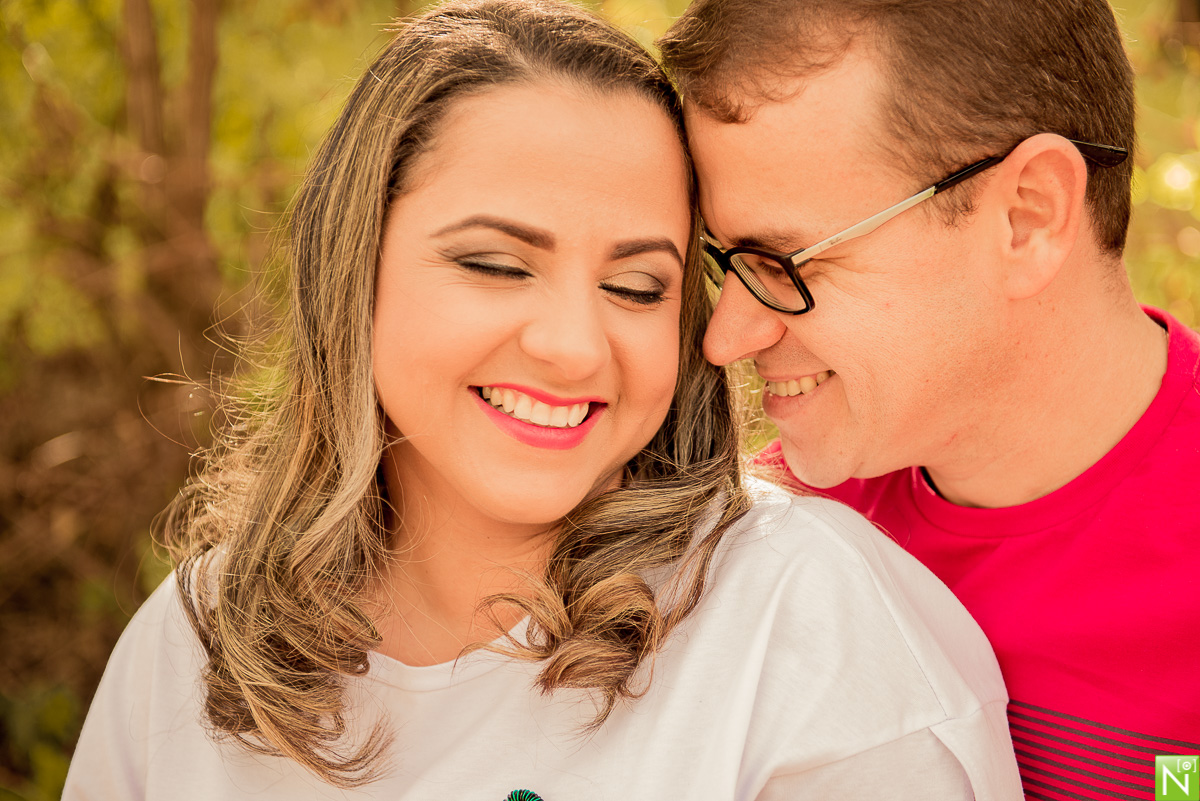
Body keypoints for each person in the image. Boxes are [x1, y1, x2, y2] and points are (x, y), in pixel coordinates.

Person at [63, 1, 1022, 798]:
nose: (572, 345)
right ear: (353, 265)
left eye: (639, 286)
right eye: (495, 264)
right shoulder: (197, 637)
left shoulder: (805, 625)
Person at [658, 0, 1200, 797]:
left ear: (1027, 215)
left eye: (786, 262)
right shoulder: (752, 548)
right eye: (724, 261)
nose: (726, 337)